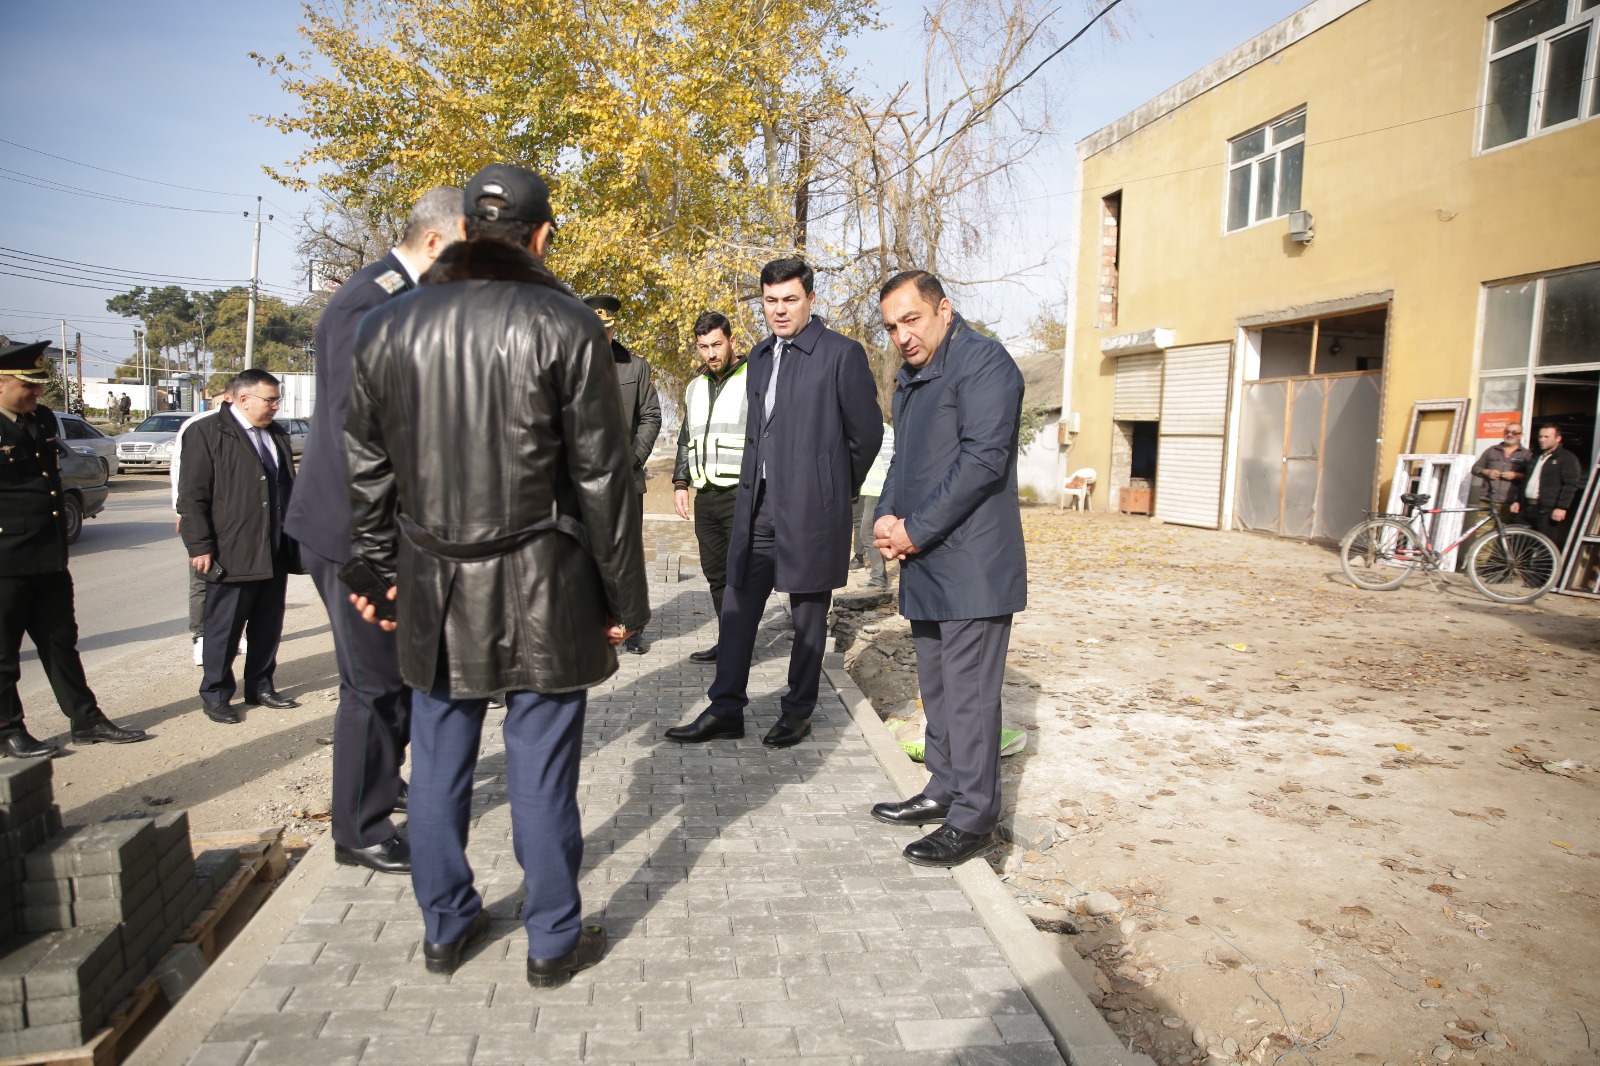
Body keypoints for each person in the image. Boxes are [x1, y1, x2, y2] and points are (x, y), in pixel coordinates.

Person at [344, 164, 649, 985]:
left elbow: (365, 470)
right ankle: (552, 941)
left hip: (433, 581)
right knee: (539, 764)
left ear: (466, 233)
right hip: (545, 579)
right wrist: (625, 598)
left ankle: (444, 928)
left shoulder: (387, 325)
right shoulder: (566, 322)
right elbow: (603, 479)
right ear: (541, 235)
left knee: (439, 760)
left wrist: (375, 574)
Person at [284, 187, 461, 877]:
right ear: (439, 241)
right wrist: (377, 553)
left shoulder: (388, 294)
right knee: (374, 685)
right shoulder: (374, 302)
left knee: (393, 677)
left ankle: (383, 785)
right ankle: (358, 828)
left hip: (378, 526)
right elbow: (360, 438)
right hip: (356, 529)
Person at [665, 257, 882, 748]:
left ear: (810, 299)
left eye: (790, 299)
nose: (779, 310)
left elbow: (864, 435)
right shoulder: (761, 356)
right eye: (770, 301)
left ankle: (798, 711)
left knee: (807, 615)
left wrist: (832, 488)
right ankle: (726, 708)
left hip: (812, 509)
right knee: (739, 605)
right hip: (757, 507)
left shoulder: (841, 354)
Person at [869, 271, 1026, 868]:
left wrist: (913, 529)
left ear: (943, 309)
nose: (902, 335)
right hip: (927, 559)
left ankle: (974, 817)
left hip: (973, 564)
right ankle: (943, 789)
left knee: (970, 697)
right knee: (936, 690)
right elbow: (903, 461)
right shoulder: (911, 377)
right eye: (891, 327)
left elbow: (983, 462)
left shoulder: (986, 364)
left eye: (911, 319)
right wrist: (886, 519)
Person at [0, 341, 148, 758]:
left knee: (60, 641)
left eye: (37, 386)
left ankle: (85, 720)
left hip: (47, 556)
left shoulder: (42, 419)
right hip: (5, 559)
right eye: (27, 386)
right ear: (1, 383)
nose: (36, 394)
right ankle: (9, 729)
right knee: (4, 653)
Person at [178, 368, 300, 725]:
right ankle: (216, 693)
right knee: (224, 628)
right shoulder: (206, 433)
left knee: (268, 624)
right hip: (232, 549)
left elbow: (284, 486)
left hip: (274, 546)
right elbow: (192, 496)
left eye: (278, 399)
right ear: (243, 399)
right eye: (271, 399)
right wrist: (199, 545)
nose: (276, 406)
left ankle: (260, 685)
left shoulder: (276, 433)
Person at [583, 294, 661, 654]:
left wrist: (634, 456)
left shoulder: (634, 366)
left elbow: (651, 415)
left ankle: (633, 625)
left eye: (608, 329)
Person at [671, 311, 748, 664]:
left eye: (717, 344)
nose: (711, 353)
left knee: (740, 576)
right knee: (715, 575)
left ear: (731, 340)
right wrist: (680, 482)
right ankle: (729, 642)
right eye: (703, 347)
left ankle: (739, 645)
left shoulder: (753, 377)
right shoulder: (694, 386)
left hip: (741, 494)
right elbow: (687, 438)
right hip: (707, 497)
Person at [172, 389, 233, 667]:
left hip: (234, 522)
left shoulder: (253, 430)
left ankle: (233, 634)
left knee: (234, 582)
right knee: (201, 579)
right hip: (202, 517)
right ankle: (200, 636)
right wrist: (180, 511)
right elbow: (181, 472)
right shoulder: (199, 426)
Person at [1511, 423, 1586, 550]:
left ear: (1558, 439)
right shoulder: (1535, 456)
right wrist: (1518, 500)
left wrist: (1562, 507)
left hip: (1547, 511)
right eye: (1540, 437)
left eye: (1546, 437)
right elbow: (1526, 480)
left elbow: (1570, 484)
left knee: (1545, 548)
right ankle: (1519, 569)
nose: (1542, 440)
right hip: (1526, 508)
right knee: (1518, 544)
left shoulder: (1567, 458)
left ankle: (1546, 570)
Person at [853, 423, 895, 589]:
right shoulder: (862, 429)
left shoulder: (884, 431)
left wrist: (889, 490)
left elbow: (889, 461)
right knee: (861, 529)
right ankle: (862, 563)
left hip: (877, 490)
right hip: (863, 488)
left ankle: (879, 578)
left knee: (867, 533)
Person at [1471, 422, 1530, 521]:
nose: (1510, 435)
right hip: (1487, 501)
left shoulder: (1526, 454)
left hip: (1511, 503)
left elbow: (1530, 476)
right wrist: (1487, 472)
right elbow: (1475, 468)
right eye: (1507, 431)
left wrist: (1516, 475)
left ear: (1521, 435)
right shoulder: (1492, 450)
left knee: (1506, 535)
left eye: (1514, 433)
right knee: (1483, 534)